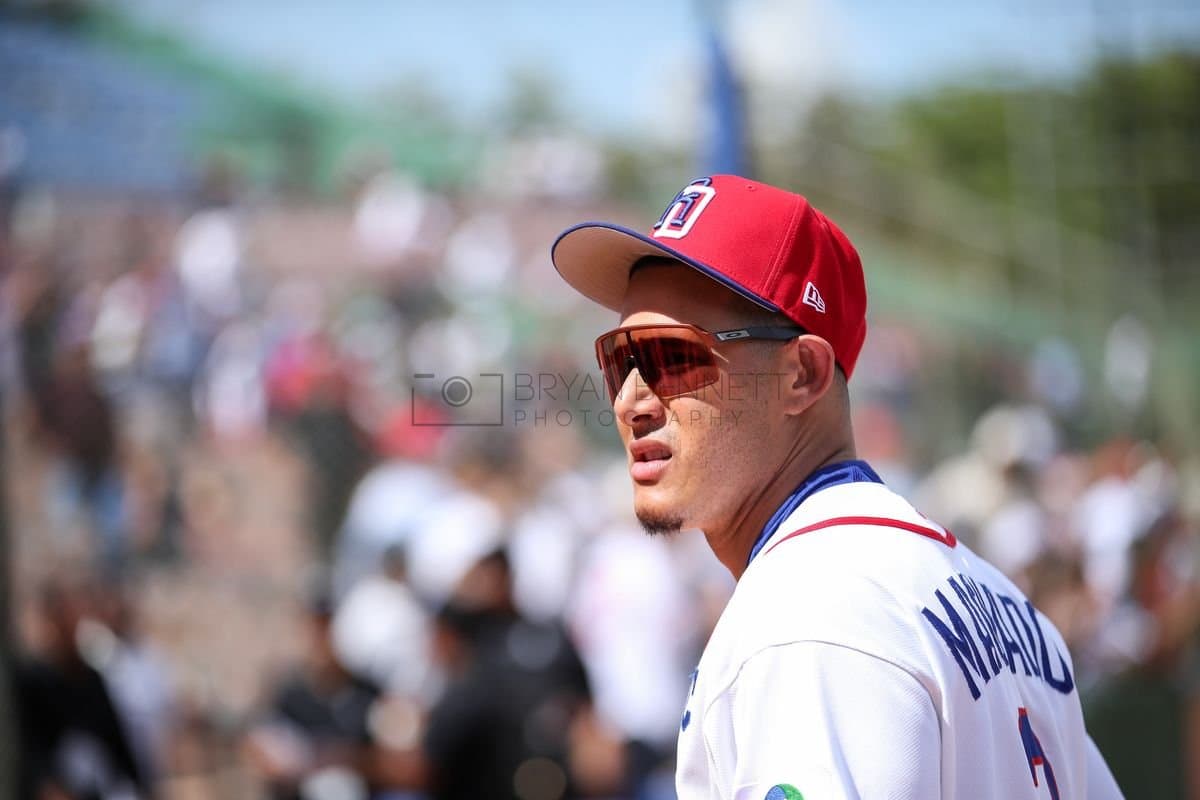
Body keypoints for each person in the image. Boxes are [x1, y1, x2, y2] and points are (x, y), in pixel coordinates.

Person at [550, 175, 1124, 799]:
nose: (632, 399)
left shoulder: (807, 615)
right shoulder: (1008, 606)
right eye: (620, 360)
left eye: (671, 358)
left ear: (804, 375)